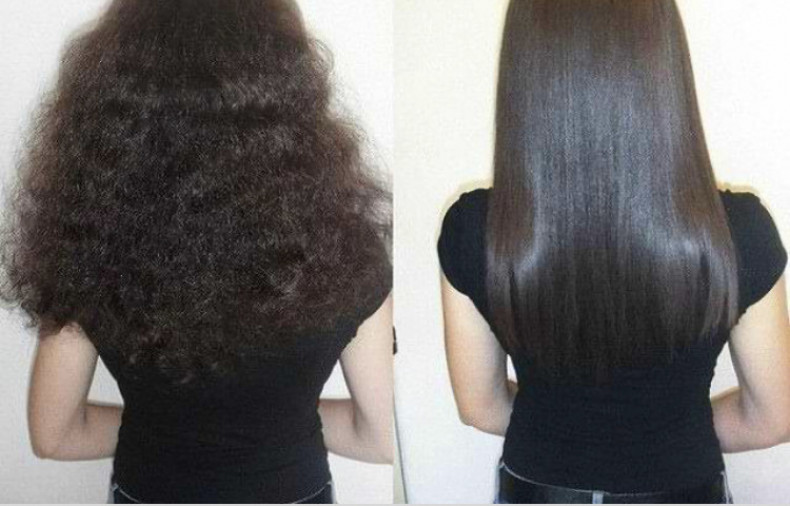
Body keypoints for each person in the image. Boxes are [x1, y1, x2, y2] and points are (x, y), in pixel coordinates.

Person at [1, 0, 392, 503]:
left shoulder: (88, 245)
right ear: (287, 92)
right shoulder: (348, 252)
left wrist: (178, 431)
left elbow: (55, 436)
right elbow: (378, 438)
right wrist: (272, 425)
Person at [439, 1, 790, 503]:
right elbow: (772, 419)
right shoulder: (740, 231)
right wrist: (671, 434)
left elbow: (480, 407)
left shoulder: (476, 228)